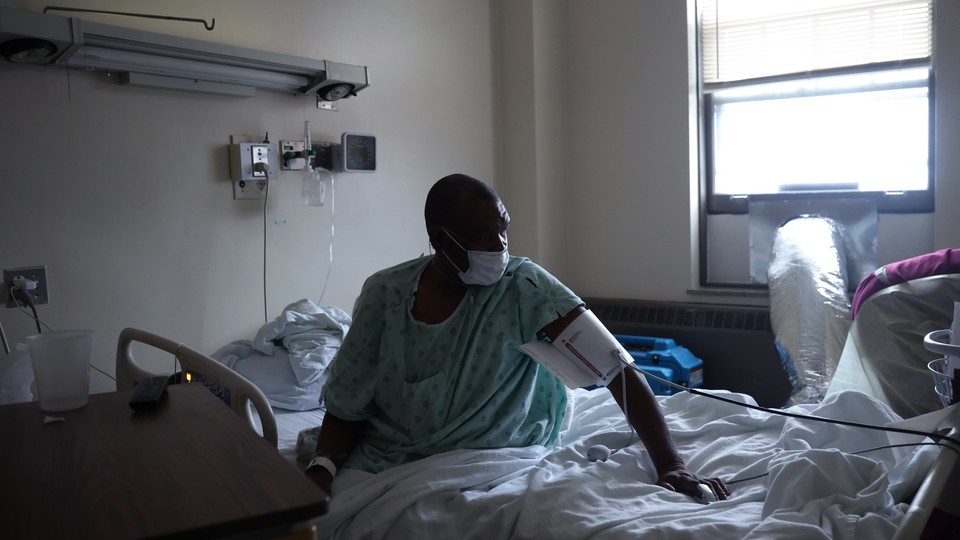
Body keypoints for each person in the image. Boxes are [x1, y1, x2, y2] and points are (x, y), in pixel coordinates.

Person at [305, 173, 729, 503]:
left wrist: (670, 464)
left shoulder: (524, 287)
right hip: (394, 451)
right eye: (481, 237)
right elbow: (350, 395)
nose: (499, 245)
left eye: (503, 229)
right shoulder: (387, 294)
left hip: (497, 454)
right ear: (439, 240)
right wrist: (322, 467)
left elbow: (614, 367)